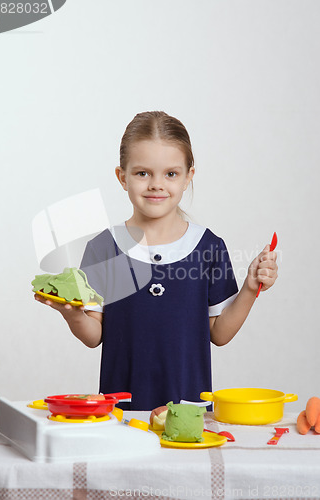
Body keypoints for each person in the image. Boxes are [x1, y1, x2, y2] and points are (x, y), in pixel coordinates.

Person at [35, 111, 278, 410]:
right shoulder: (105, 248)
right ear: (122, 177)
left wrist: (251, 288)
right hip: (122, 414)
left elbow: (219, 333)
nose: (156, 185)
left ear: (189, 176)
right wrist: (72, 314)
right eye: (142, 173)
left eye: (171, 174)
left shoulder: (209, 247)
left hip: (189, 414)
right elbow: (94, 335)